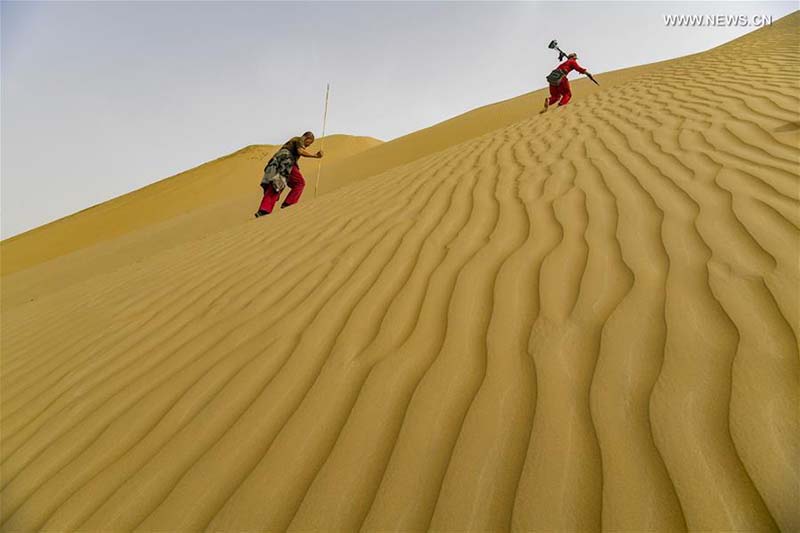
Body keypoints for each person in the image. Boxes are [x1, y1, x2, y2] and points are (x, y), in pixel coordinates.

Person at [255, 131, 323, 217]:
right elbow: (300, 151)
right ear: (307, 138)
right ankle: (288, 204)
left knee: (276, 185)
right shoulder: (299, 139)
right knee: (300, 182)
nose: (308, 145)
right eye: (309, 143)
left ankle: (263, 210)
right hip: (285, 162)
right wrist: (315, 156)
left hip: (275, 163)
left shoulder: (294, 141)